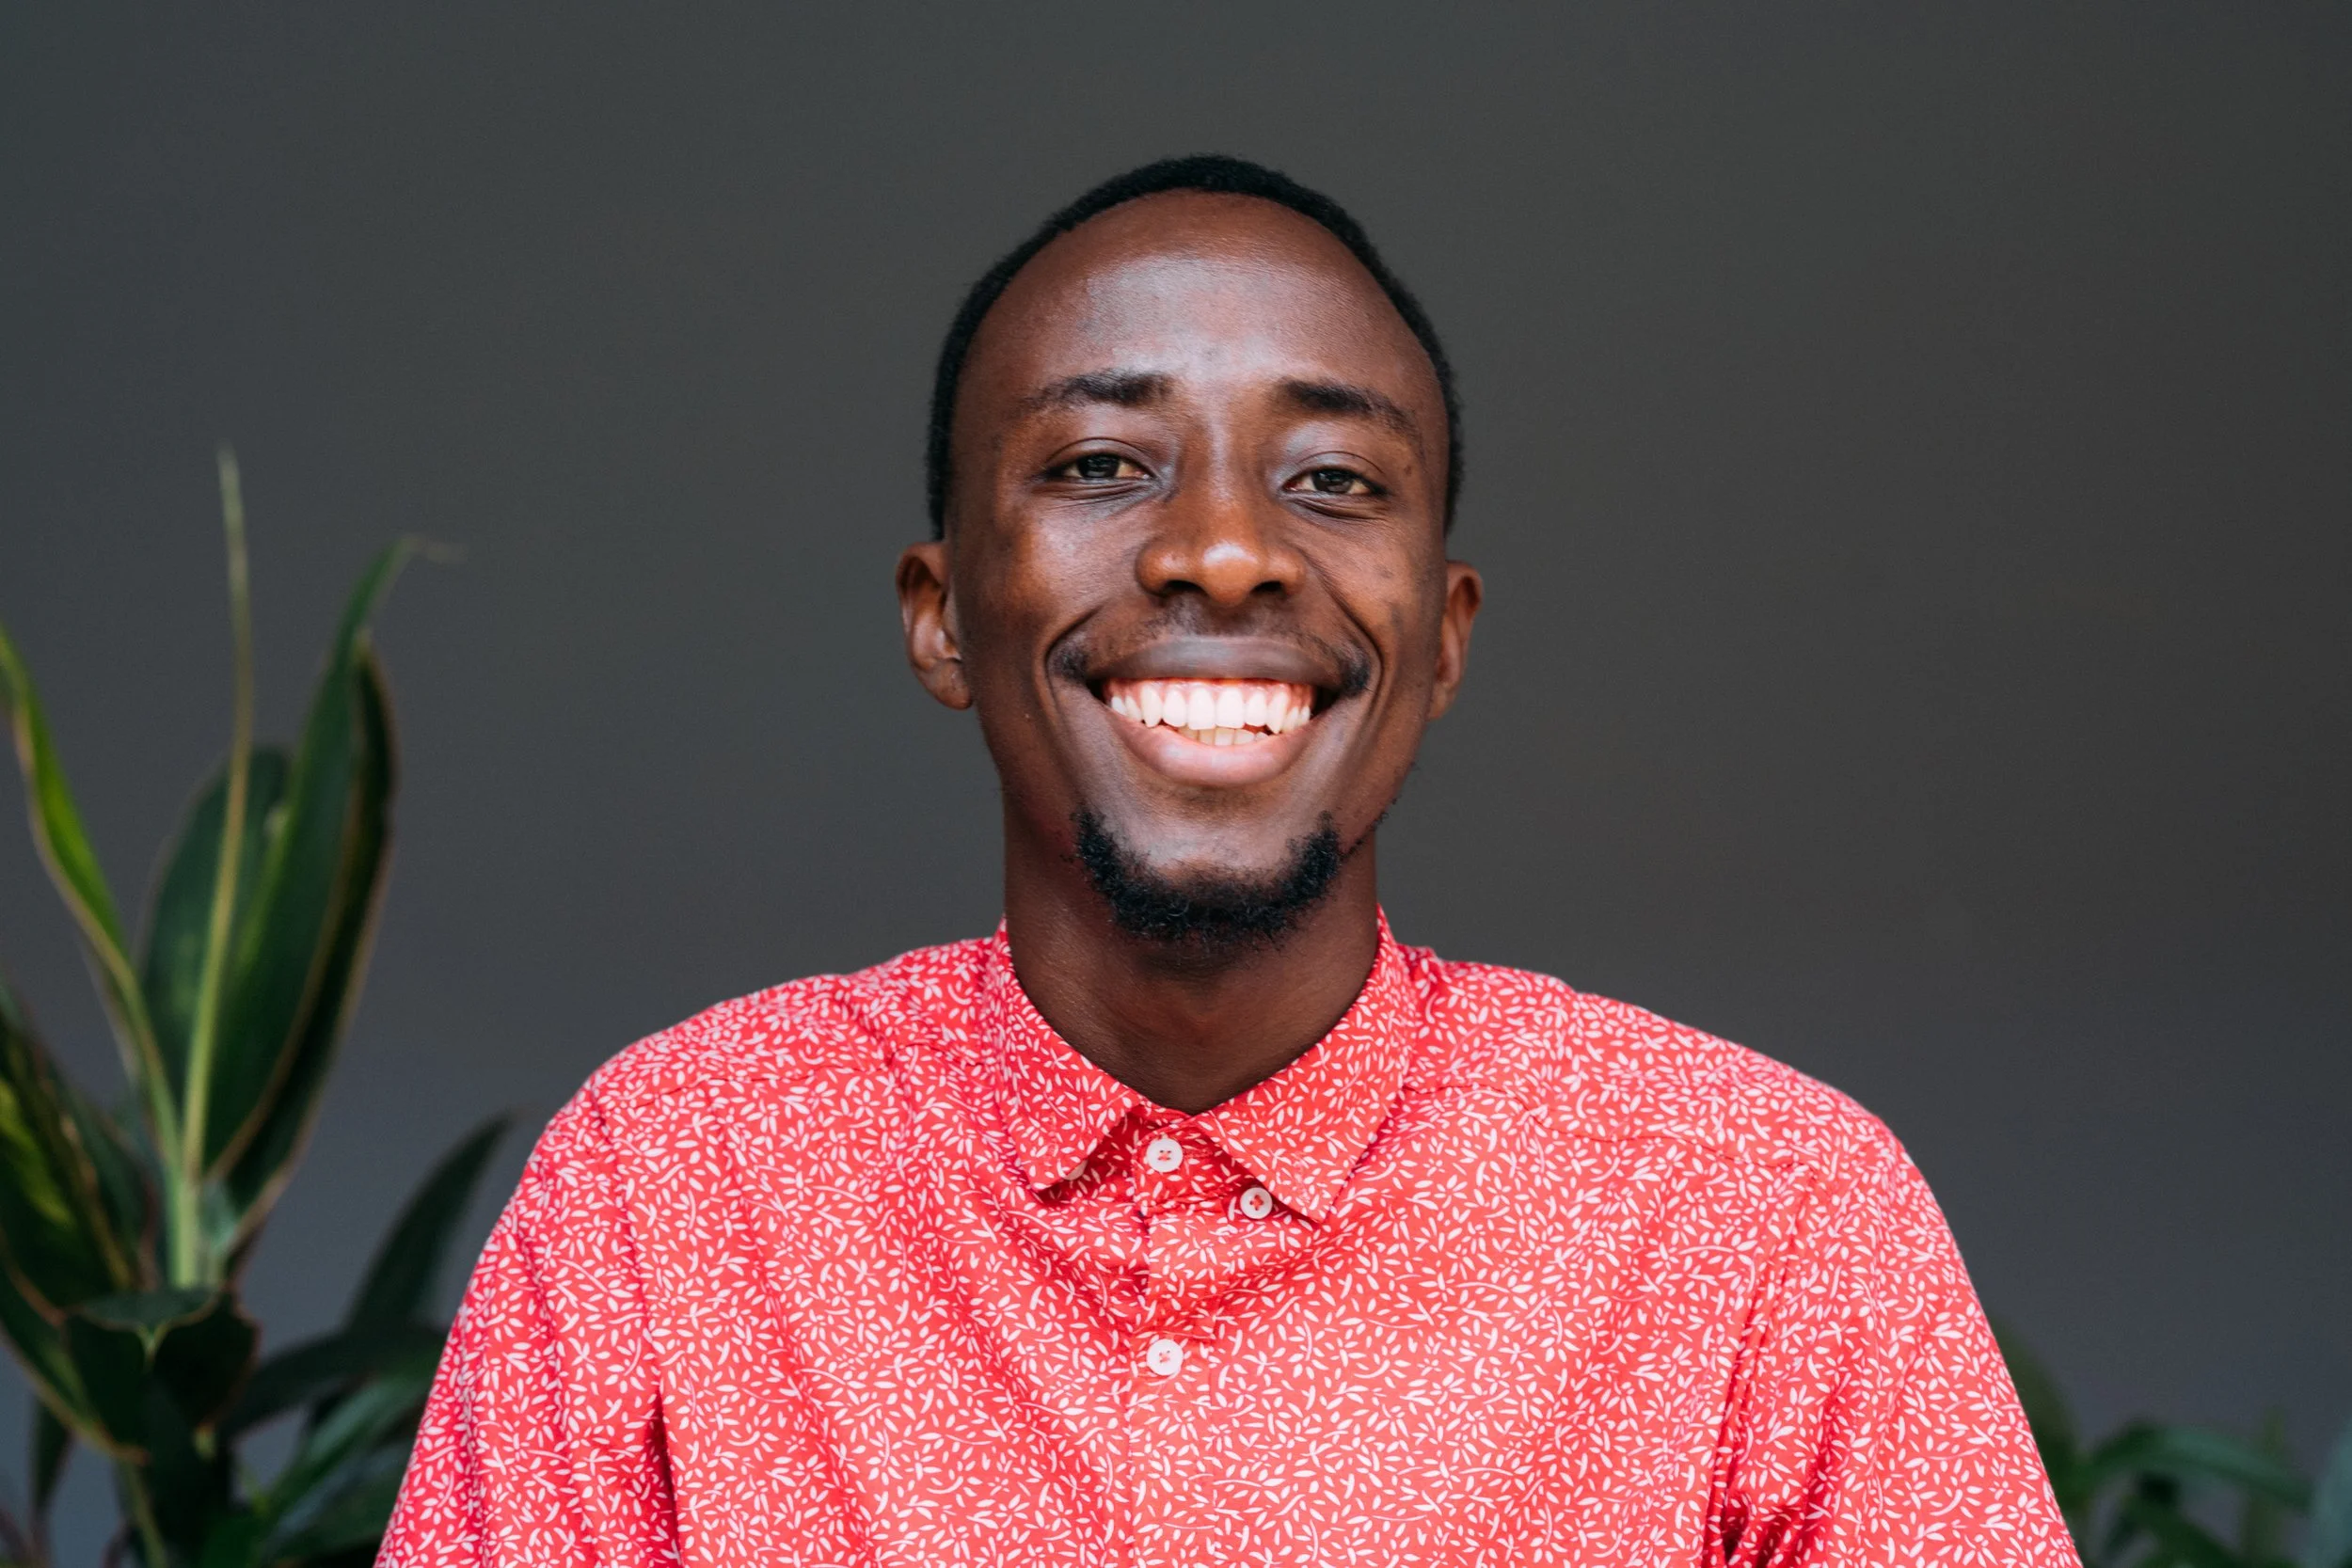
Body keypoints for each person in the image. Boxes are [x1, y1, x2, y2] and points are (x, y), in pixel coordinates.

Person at [380, 155, 2076, 1567]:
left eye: (1330, 478)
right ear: (942, 613)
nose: (1224, 550)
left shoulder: (1767, 1218)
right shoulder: (672, 1191)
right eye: (1101, 465)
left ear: (1443, 637)